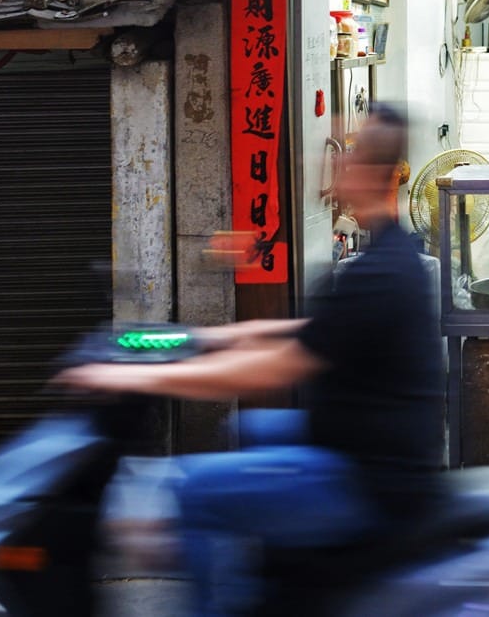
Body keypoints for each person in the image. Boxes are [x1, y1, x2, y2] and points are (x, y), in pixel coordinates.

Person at [57, 103, 444, 615]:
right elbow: (313, 333)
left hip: (366, 478)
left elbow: (274, 369)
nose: (337, 164)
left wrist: (147, 376)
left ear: (369, 173)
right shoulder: (389, 257)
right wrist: (215, 337)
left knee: (188, 489)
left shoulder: (381, 274)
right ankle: (282, 588)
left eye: (348, 155)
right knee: (251, 429)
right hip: (365, 448)